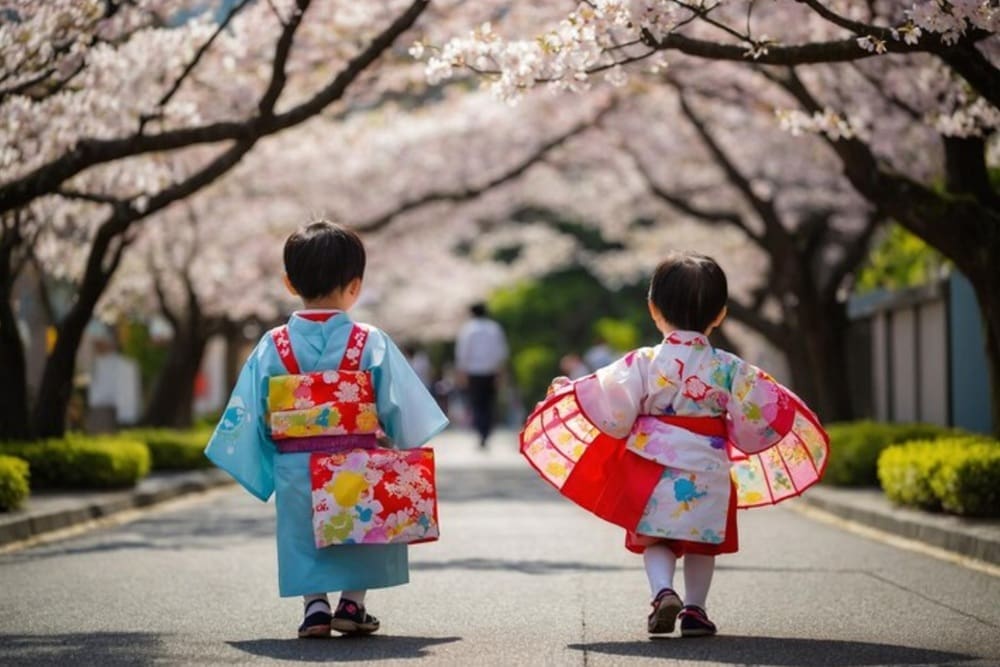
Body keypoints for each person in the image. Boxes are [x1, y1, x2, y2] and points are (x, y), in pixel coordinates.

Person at [519, 251, 829, 638]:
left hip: (652, 464)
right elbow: (753, 423)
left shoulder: (644, 362)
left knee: (656, 537)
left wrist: (573, 392)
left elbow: (615, 412)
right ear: (720, 315)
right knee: (702, 541)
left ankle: (663, 592)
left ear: (653, 309)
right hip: (709, 462)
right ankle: (696, 610)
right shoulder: (729, 367)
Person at [204, 220, 448, 639]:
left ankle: (315, 608)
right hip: (357, 458)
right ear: (355, 285)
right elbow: (400, 407)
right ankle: (353, 603)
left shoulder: (273, 345)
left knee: (302, 533)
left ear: (288, 282)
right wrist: (396, 438)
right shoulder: (369, 341)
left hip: (295, 463)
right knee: (365, 525)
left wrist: (266, 450)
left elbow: (252, 411)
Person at [455, 302, 509, 448]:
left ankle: (481, 432)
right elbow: (501, 352)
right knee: (489, 403)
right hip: (491, 371)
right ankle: (486, 431)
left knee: (477, 404)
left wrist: (461, 372)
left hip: (474, 372)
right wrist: (501, 372)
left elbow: (463, 353)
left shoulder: (468, 330)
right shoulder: (494, 328)